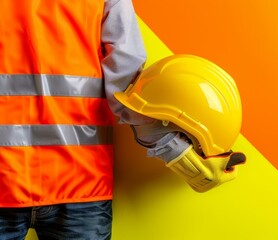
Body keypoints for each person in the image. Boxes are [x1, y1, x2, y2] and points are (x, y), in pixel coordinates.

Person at [0, 0, 245, 239]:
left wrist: (175, 151)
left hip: (48, 181)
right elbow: (126, 85)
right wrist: (178, 153)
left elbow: (126, 88)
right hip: (81, 182)